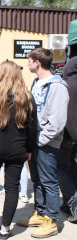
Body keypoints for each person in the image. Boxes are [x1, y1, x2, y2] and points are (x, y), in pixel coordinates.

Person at [0, 60, 37, 240]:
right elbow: (32, 127)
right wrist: (29, 149)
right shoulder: (26, 96)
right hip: (17, 147)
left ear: (0, 74)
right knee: (12, 188)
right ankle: (4, 228)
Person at [16, 47, 69, 238]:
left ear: (37, 63)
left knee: (48, 181)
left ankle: (52, 220)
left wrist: (41, 140)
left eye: (29, 60)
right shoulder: (36, 83)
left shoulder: (57, 86)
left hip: (46, 142)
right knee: (36, 180)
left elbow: (57, 121)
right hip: (35, 141)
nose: (27, 63)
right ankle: (40, 212)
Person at [57, 54, 77, 222]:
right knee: (73, 167)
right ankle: (68, 203)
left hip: (67, 134)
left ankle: (72, 202)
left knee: (61, 168)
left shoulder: (65, 85)